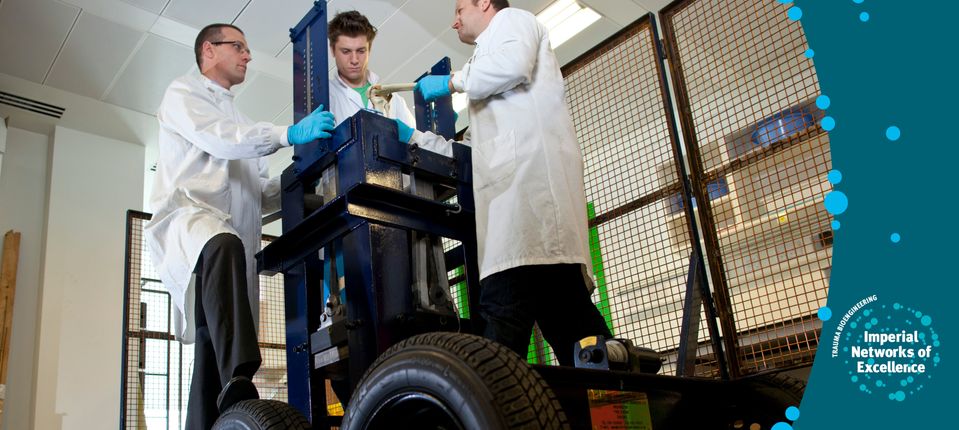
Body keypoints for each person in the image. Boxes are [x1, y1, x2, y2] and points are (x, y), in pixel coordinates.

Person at [144, 23, 335, 429]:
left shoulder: (241, 120)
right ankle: (241, 376)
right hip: (191, 224)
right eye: (239, 47)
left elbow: (255, 189)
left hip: (226, 254)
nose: (248, 56)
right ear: (209, 51)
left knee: (212, 352)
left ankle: (213, 412)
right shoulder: (184, 94)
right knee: (222, 245)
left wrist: (303, 190)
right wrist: (285, 133)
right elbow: (220, 138)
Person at [402, 0, 614, 366]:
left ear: (484, 2)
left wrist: (453, 82)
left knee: (501, 332)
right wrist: (415, 138)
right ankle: (615, 409)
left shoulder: (512, 23)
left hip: (526, 212)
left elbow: (511, 66)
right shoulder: (492, 67)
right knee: (575, 330)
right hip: (535, 222)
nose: (454, 22)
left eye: (458, 10)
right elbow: (473, 151)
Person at [327, 10, 416, 129]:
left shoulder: (394, 100)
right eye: (346, 51)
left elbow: (415, 143)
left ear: (370, 49)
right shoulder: (327, 97)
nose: (354, 60)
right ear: (333, 50)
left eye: (361, 51)